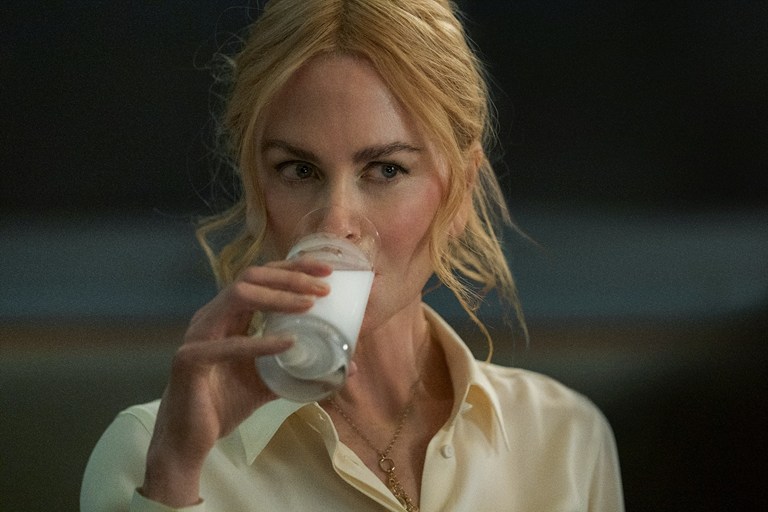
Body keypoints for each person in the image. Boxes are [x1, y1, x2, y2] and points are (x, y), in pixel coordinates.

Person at [82, 0, 624, 510]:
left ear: (461, 191)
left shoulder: (565, 441)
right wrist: (176, 472)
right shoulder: (153, 454)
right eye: (299, 170)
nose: (336, 222)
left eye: (386, 170)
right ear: (255, 192)